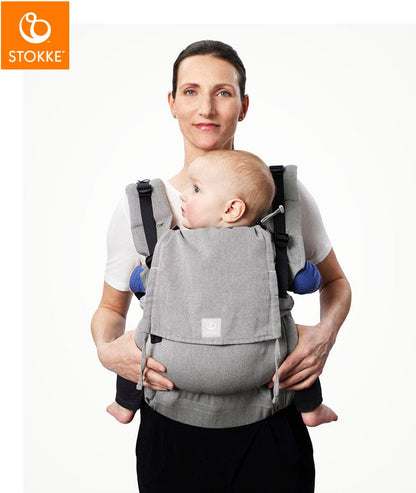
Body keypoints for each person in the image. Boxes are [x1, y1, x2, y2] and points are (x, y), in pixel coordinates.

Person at [91, 40, 351, 493]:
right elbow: (110, 310)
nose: (206, 108)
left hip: (271, 431)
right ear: (172, 103)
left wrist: (325, 333)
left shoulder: (283, 198)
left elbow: (336, 283)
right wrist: (105, 349)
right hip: (171, 435)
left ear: (243, 106)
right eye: (190, 91)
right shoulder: (142, 207)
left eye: (223, 93)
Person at [107, 148, 338, 429]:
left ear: (231, 209)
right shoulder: (266, 246)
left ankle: (124, 404)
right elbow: (307, 281)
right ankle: (311, 407)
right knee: (296, 343)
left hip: (169, 372)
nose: (184, 196)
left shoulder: (171, 247)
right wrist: (306, 272)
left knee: (136, 343)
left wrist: (138, 281)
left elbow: (139, 283)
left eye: (195, 189)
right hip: (262, 368)